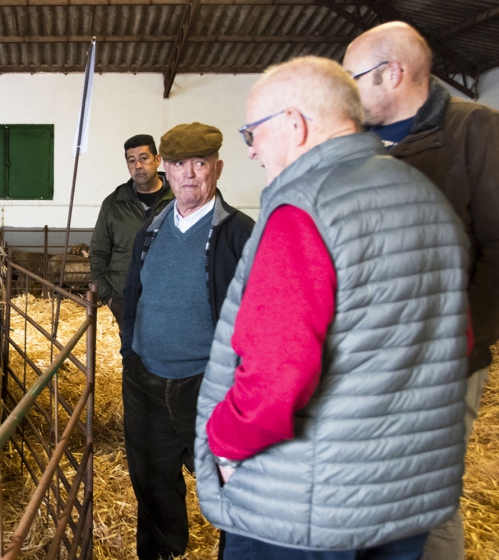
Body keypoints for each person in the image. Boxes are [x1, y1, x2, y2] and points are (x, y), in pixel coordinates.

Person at [194, 56, 469, 560]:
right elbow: (455, 342)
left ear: (294, 125)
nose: (252, 151)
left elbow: (278, 373)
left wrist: (226, 444)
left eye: (252, 132)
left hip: (303, 505)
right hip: (403, 499)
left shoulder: (306, 208)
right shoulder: (427, 198)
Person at [342, 23, 499, 558]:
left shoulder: (475, 133)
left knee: (425, 501)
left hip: (437, 361)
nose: (346, 90)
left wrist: (454, 338)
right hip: (364, 359)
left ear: (392, 73)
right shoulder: (354, 143)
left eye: (353, 77)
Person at [119, 123, 254, 559]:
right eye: (179, 164)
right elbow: (132, 294)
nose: (189, 174)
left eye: (199, 163)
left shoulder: (240, 234)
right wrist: (129, 353)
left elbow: (257, 315)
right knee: (151, 479)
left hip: (208, 386)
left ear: (216, 167)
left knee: (231, 480)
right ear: (166, 169)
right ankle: (162, 552)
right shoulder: (152, 231)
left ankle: (235, 552)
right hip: (146, 380)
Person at [89, 134, 173, 323]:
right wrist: (109, 299)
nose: (138, 166)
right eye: (131, 160)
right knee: (131, 352)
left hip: (170, 303)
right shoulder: (113, 204)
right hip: (126, 303)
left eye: (144, 158)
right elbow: (98, 254)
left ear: (157, 160)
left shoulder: (179, 200)